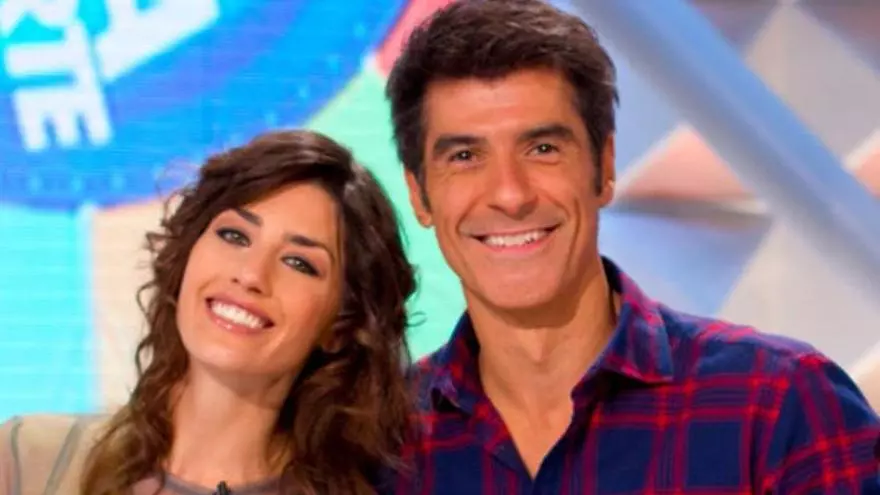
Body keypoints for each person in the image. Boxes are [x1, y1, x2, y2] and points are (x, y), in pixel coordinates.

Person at [383, 0, 880, 493]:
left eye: (543, 149)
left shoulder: (781, 404)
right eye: (465, 156)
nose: (510, 195)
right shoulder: (378, 443)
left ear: (604, 168)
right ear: (419, 194)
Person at [0, 130, 416, 494]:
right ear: (186, 257)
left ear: (342, 326)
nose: (250, 275)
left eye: (298, 263)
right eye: (234, 235)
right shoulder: (28, 460)